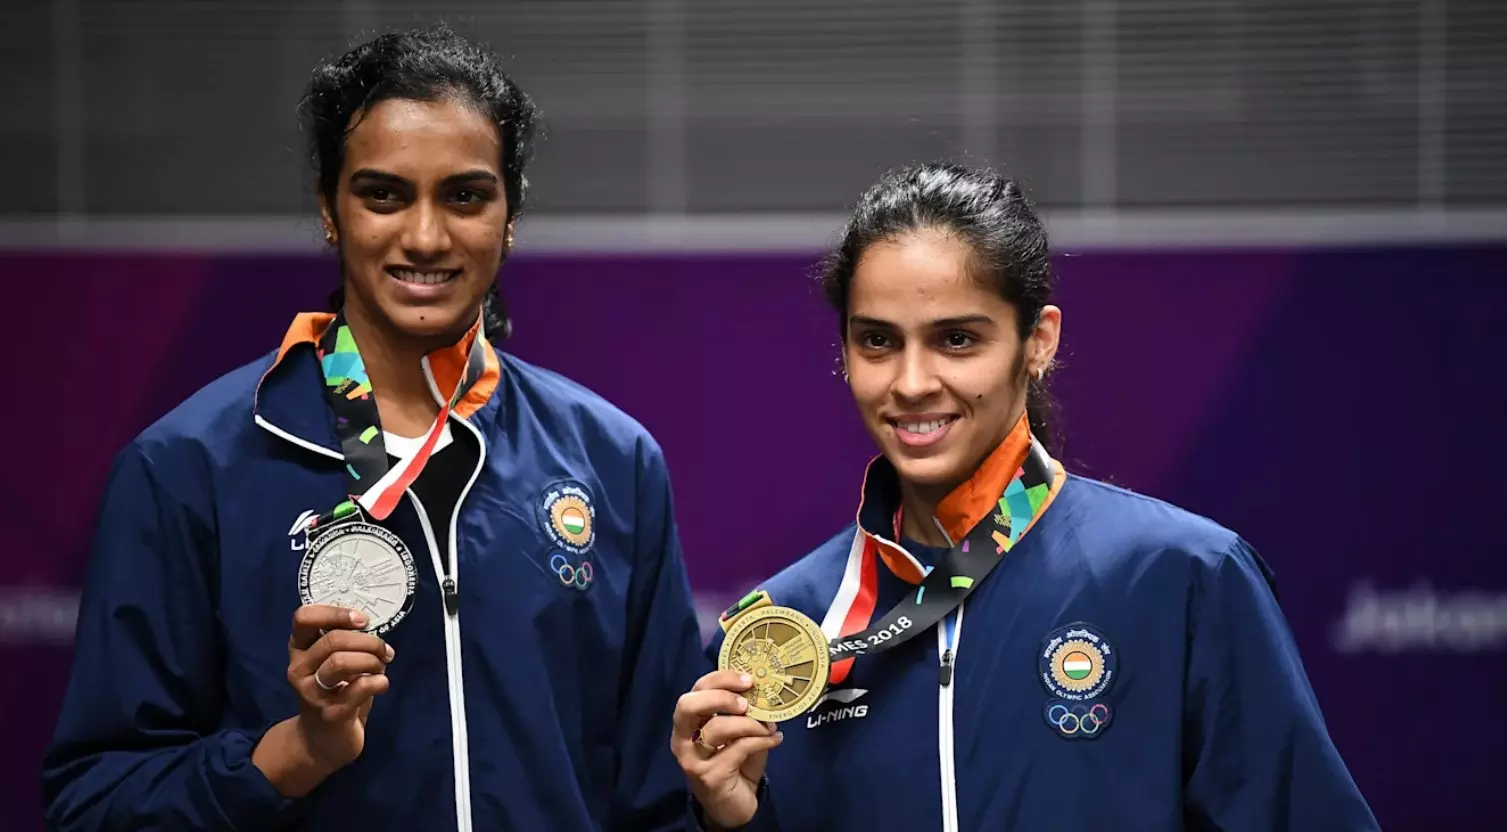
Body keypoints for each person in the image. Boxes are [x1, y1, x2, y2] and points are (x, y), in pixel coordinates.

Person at [43, 24, 706, 832]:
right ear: (329, 208)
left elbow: (661, 800)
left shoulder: (612, 460)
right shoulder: (187, 467)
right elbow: (95, 801)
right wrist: (291, 755)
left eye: (464, 196)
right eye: (383, 194)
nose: (424, 236)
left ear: (510, 214)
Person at [670, 163, 1379, 831]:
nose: (911, 381)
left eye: (955, 339)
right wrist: (737, 822)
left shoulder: (1180, 575)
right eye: (878, 341)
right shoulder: (780, 634)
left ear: (1036, 341)